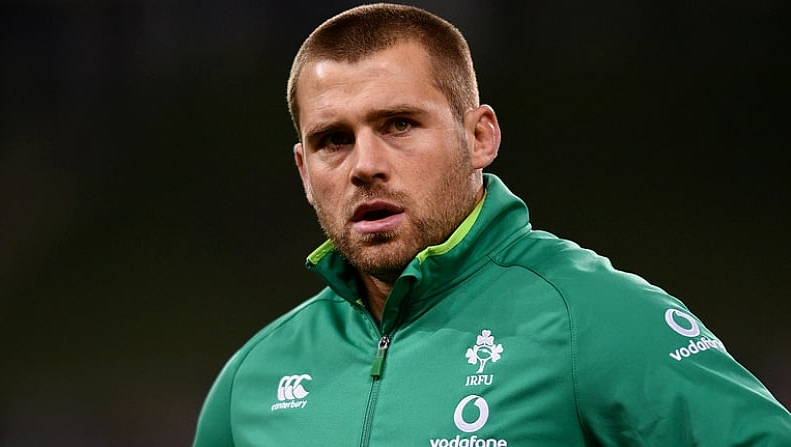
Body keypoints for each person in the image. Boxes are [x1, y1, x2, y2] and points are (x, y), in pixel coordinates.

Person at [192, 3, 791, 445]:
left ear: (480, 137)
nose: (365, 166)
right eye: (332, 140)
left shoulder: (594, 319)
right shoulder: (251, 383)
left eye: (399, 124)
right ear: (303, 168)